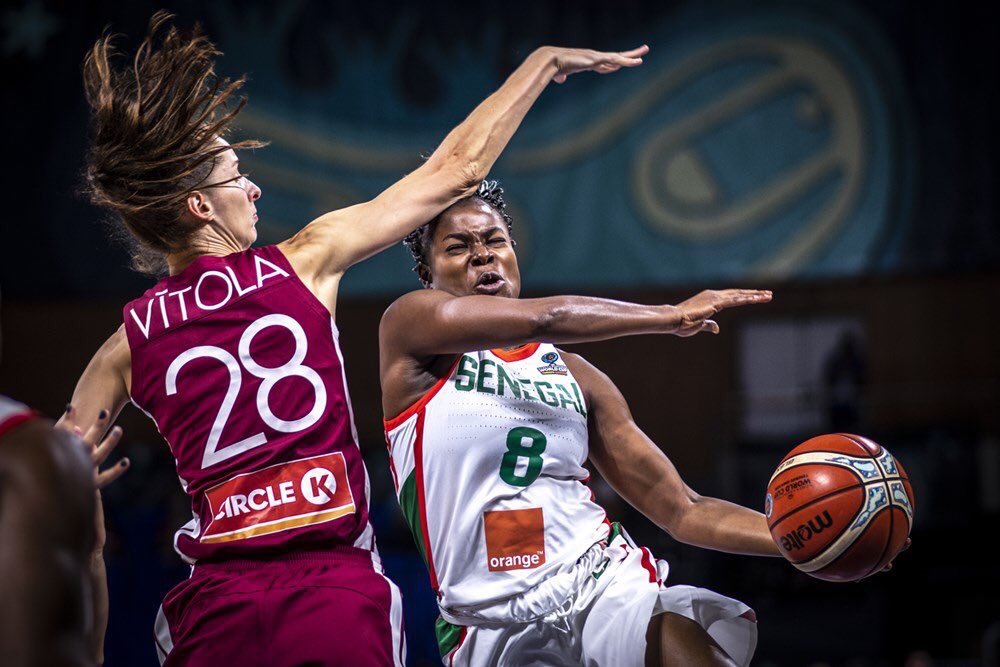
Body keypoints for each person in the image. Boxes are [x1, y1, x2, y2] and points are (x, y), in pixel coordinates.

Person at [60, 10, 648, 665]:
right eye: (233, 175)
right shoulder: (306, 258)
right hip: (332, 592)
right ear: (200, 206)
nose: (252, 187)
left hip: (216, 609)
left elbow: (65, 521)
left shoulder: (125, 346)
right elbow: (458, 168)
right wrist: (543, 62)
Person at [379, 182, 776, 667]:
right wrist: (670, 316)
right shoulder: (410, 335)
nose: (482, 256)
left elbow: (684, 510)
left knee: (675, 632)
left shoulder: (577, 375)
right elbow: (543, 317)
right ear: (427, 273)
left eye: (495, 240)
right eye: (458, 247)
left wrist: (799, 543)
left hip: (599, 579)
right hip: (487, 624)